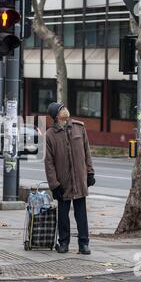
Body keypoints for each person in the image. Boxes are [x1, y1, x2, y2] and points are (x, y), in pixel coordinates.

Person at [44, 102, 95, 255]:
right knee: (63, 215)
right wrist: (54, 185)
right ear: (56, 116)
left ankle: (84, 244)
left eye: (64, 107)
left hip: (79, 179)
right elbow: (49, 163)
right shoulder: (50, 135)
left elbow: (87, 151)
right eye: (61, 109)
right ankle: (64, 243)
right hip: (62, 182)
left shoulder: (79, 127)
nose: (65, 110)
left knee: (81, 214)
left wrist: (90, 172)